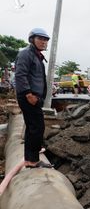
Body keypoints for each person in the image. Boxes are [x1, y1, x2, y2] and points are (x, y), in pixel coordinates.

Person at [15, 28, 53, 168]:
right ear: (32, 39)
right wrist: (28, 94)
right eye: (40, 39)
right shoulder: (26, 54)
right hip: (29, 97)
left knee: (33, 127)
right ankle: (32, 161)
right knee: (37, 127)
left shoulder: (36, 56)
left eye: (46, 40)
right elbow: (20, 75)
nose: (44, 42)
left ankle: (30, 159)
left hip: (34, 97)